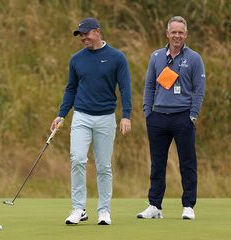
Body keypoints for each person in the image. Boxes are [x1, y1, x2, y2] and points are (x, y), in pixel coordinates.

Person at [50, 17, 132, 225]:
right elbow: (71, 89)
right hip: (82, 117)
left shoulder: (117, 58)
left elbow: (125, 89)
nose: (83, 38)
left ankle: (104, 210)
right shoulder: (76, 60)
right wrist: (61, 115)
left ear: (98, 32)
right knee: (77, 160)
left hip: (106, 118)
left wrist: (126, 116)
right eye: (80, 35)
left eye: (86, 34)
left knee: (104, 166)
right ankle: (78, 208)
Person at [137, 16, 205, 220]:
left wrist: (193, 115)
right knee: (157, 162)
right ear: (167, 33)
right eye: (173, 32)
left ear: (186, 35)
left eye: (180, 32)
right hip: (157, 117)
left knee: (187, 162)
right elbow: (149, 86)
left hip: (183, 117)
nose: (177, 35)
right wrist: (147, 112)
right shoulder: (156, 56)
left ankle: (188, 205)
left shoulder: (194, 58)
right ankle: (155, 205)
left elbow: (199, 90)